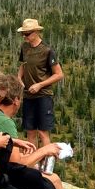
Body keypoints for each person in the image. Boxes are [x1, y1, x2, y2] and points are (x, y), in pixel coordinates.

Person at [0, 89, 69, 189]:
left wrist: (23, 154)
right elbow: (17, 166)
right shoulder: (6, 122)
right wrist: (44, 150)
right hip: (0, 175)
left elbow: (4, 154)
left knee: (52, 178)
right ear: (16, 100)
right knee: (52, 179)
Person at [16, 18, 64, 150]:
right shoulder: (24, 47)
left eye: (27, 34)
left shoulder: (47, 50)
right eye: (23, 34)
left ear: (36, 32)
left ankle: (46, 165)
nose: (24, 37)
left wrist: (40, 85)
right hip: (28, 95)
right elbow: (23, 65)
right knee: (30, 131)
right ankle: (32, 164)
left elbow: (59, 74)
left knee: (43, 132)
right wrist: (19, 77)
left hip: (43, 95)